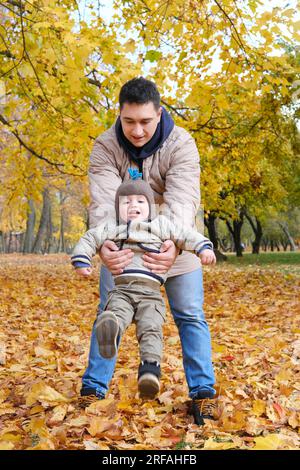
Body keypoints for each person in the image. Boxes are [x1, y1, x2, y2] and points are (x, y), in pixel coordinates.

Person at [81, 76, 218, 425]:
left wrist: (171, 244)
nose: (137, 130)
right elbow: (102, 205)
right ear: (120, 115)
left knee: (189, 315)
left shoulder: (182, 144)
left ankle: (203, 394)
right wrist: (104, 247)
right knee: (108, 311)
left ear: (159, 114)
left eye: (145, 121)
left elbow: (183, 202)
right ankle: (93, 389)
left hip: (176, 242)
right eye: (129, 121)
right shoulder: (105, 146)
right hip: (123, 250)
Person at [72, 177, 215, 399]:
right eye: (126, 202)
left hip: (150, 292)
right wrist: (82, 260)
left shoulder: (161, 225)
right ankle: (110, 331)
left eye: (140, 201)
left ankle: (150, 370)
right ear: (117, 208)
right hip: (122, 290)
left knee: (151, 327)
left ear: (150, 206)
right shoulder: (113, 228)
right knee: (115, 313)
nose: (133, 206)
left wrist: (203, 248)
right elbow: (90, 238)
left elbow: (186, 234)